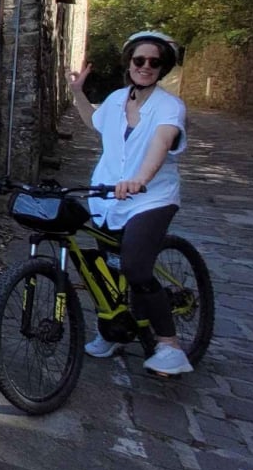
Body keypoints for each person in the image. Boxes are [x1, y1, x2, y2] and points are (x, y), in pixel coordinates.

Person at [68, 30, 192, 375]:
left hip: (150, 199)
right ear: (130, 63)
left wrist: (141, 179)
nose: (146, 66)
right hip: (107, 197)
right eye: (140, 60)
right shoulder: (117, 99)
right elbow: (94, 123)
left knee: (135, 268)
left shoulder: (169, 107)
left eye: (155, 62)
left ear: (162, 66)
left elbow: (162, 142)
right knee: (106, 268)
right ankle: (114, 329)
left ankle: (169, 345)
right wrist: (78, 93)